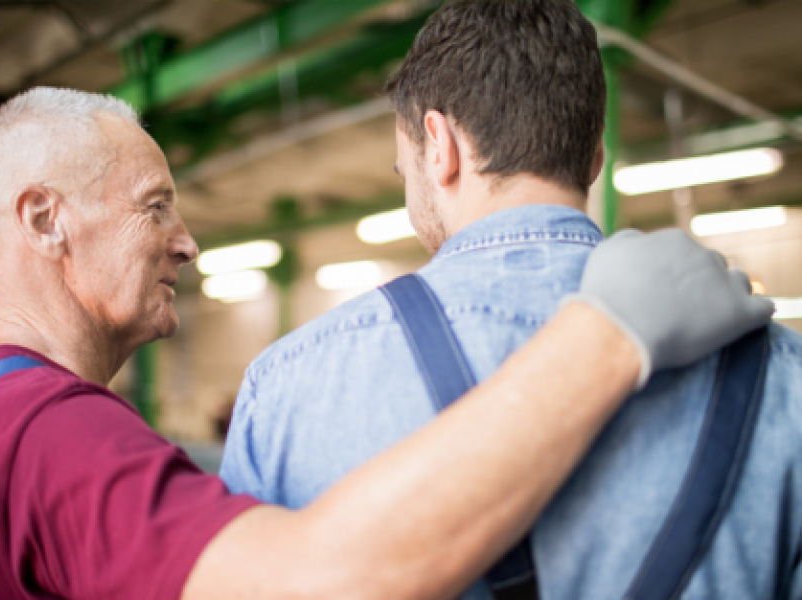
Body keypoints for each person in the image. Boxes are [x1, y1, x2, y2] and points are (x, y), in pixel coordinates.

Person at [0, 86, 767, 600]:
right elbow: (320, 582)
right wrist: (608, 337)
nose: (186, 241)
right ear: (44, 219)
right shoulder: (50, 437)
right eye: (155, 206)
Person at [220, 1, 802, 599]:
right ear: (596, 155)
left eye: (404, 170)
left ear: (439, 145)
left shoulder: (292, 380)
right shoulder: (784, 375)